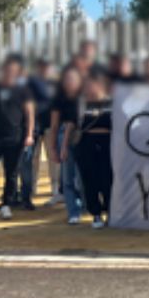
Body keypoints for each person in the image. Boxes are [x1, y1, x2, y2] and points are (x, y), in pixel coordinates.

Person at [0, 54, 35, 222]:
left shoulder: (23, 91)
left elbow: (29, 113)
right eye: (7, 69)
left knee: (11, 174)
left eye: (13, 70)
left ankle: (6, 206)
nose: (9, 72)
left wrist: (29, 135)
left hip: (15, 138)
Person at [66, 72, 114, 229]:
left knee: (108, 179)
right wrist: (63, 147)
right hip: (86, 144)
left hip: (107, 143)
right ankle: (96, 214)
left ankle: (110, 212)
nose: (90, 88)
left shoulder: (112, 102)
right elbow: (71, 125)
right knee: (89, 181)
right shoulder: (80, 104)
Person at [46, 65, 84, 224]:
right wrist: (53, 148)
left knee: (83, 177)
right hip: (64, 136)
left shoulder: (85, 96)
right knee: (68, 177)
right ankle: (73, 211)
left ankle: (85, 206)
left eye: (73, 78)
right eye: (67, 78)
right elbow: (54, 125)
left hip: (83, 135)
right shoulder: (58, 98)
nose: (70, 82)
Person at [21, 58, 56, 209]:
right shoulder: (29, 83)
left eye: (46, 67)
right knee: (32, 160)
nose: (44, 69)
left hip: (50, 126)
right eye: (42, 67)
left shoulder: (55, 84)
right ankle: (30, 190)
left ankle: (55, 191)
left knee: (52, 159)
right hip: (33, 127)